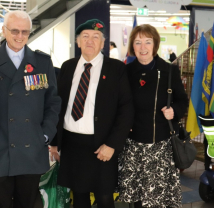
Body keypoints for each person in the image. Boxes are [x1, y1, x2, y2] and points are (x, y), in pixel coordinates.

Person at [0, 11, 61, 208]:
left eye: (25, 32)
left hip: (32, 149)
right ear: (4, 30)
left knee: (28, 203)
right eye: (14, 31)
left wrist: (45, 134)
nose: (19, 36)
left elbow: (53, 102)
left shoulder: (42, 63)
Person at [50, 19, 134, 208]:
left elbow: (126, 109)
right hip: (72, 144)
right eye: (85, 36)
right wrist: (55, 142)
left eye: (96, 37)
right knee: (78, 196)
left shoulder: (116, 69)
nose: (90, 41)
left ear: (103, 43)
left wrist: (112, 144)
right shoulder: (67, 67)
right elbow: (58, 106)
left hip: (101, 146)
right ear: (78, 42)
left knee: (104, 198)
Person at [118, 24, 188, 208]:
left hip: (160, 146)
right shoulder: (125, 72)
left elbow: (182, 101)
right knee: (138, 201)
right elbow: (118, 103)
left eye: (147, 42)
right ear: (133, 46)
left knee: (158, 200)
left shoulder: (169, 71)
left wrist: (174, 111)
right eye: (138, 42)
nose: (143, 47)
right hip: (133, 146)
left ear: (155, 45)